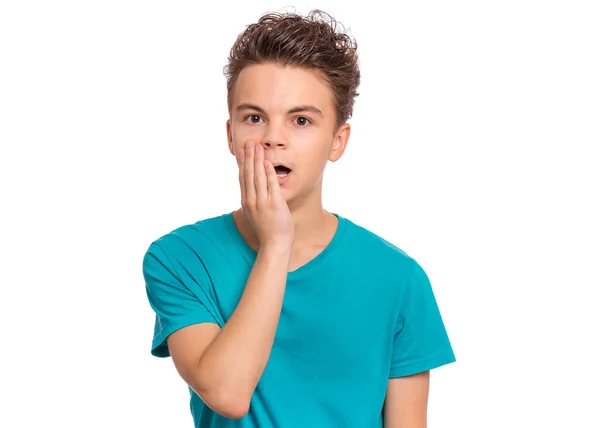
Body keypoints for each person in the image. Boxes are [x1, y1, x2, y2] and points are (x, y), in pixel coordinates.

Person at [142, 9, 455, 427]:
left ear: (337, 141)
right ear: (231, 135)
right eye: (254, 118)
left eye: (301, 120)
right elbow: (226, 393)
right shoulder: (179, 258)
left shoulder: (399, 279)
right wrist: (275, 243)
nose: (274, 137)